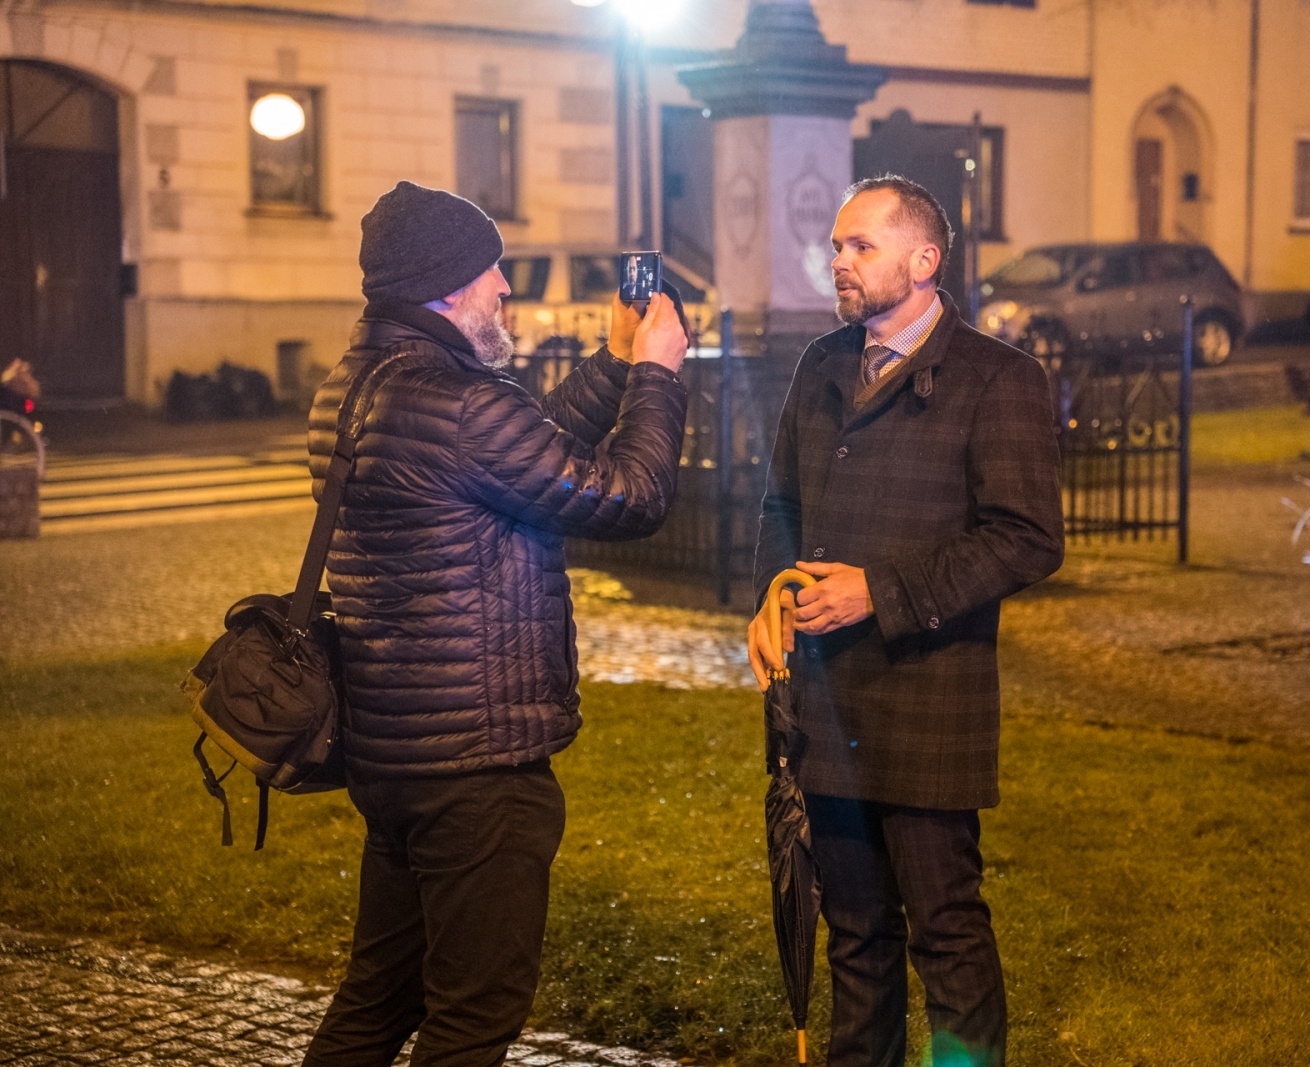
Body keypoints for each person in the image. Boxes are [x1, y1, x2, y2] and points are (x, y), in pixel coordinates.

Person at [301, 180, 689, 1067]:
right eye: (492, 273)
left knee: (375, 1002)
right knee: (472, 1019)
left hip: (395, 754)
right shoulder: (463, 406)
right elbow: (628, 497)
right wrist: (660, 374)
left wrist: (614, 362)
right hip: (480, 766)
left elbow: (523, 455)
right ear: (445, 286)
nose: (506, 291)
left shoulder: (356, 387)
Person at [746, 176, 1064, 1067]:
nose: (837, 262)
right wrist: (770, 596)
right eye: (837, 247)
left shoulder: (999, 379)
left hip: (929, 700)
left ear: (923, 261)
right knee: (854, 933)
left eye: (860, 247)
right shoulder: (819, 366)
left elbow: (1028, 539)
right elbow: (781, 503)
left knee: (947, 933)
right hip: (824, 702)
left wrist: (879, 591)